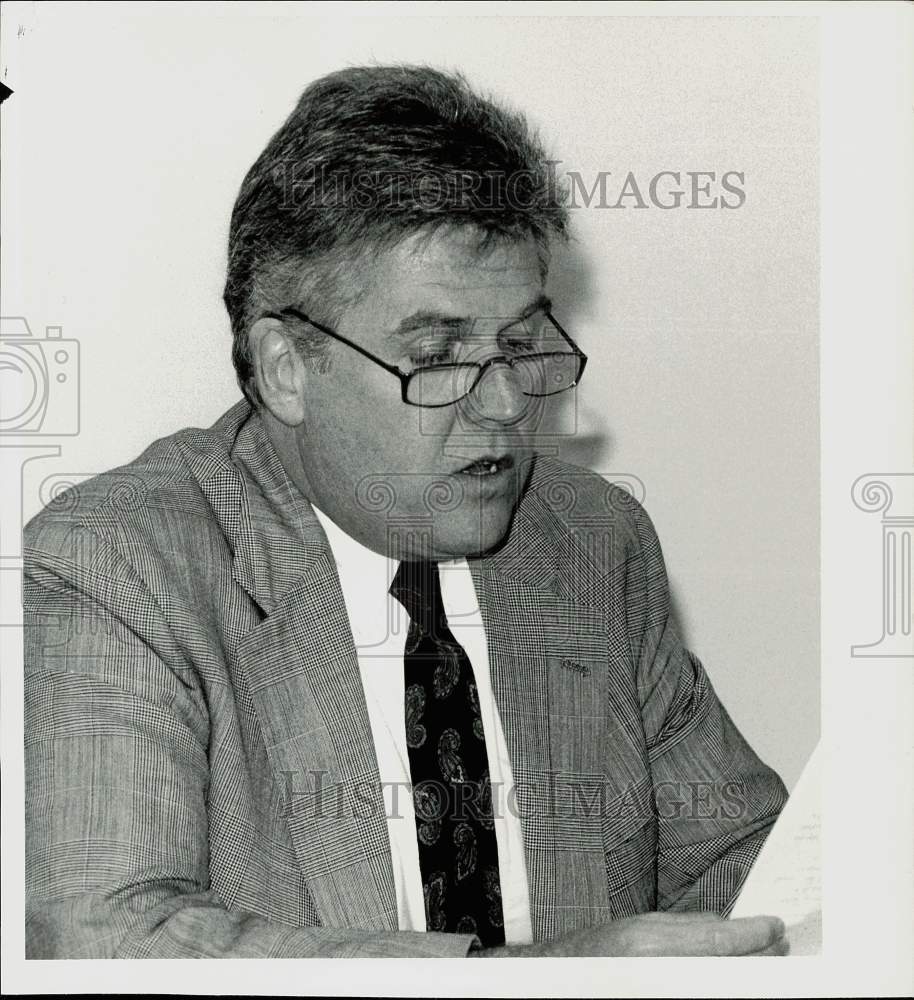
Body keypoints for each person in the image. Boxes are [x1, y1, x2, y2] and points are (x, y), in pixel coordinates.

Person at [23, 65, 788, 959]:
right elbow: (105, 935)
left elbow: (746, 858)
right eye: (438, 356)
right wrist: (545, 980)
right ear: (286, 367)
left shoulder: (590, 539)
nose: (505, 403)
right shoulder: (116, 564)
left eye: (521, 344)